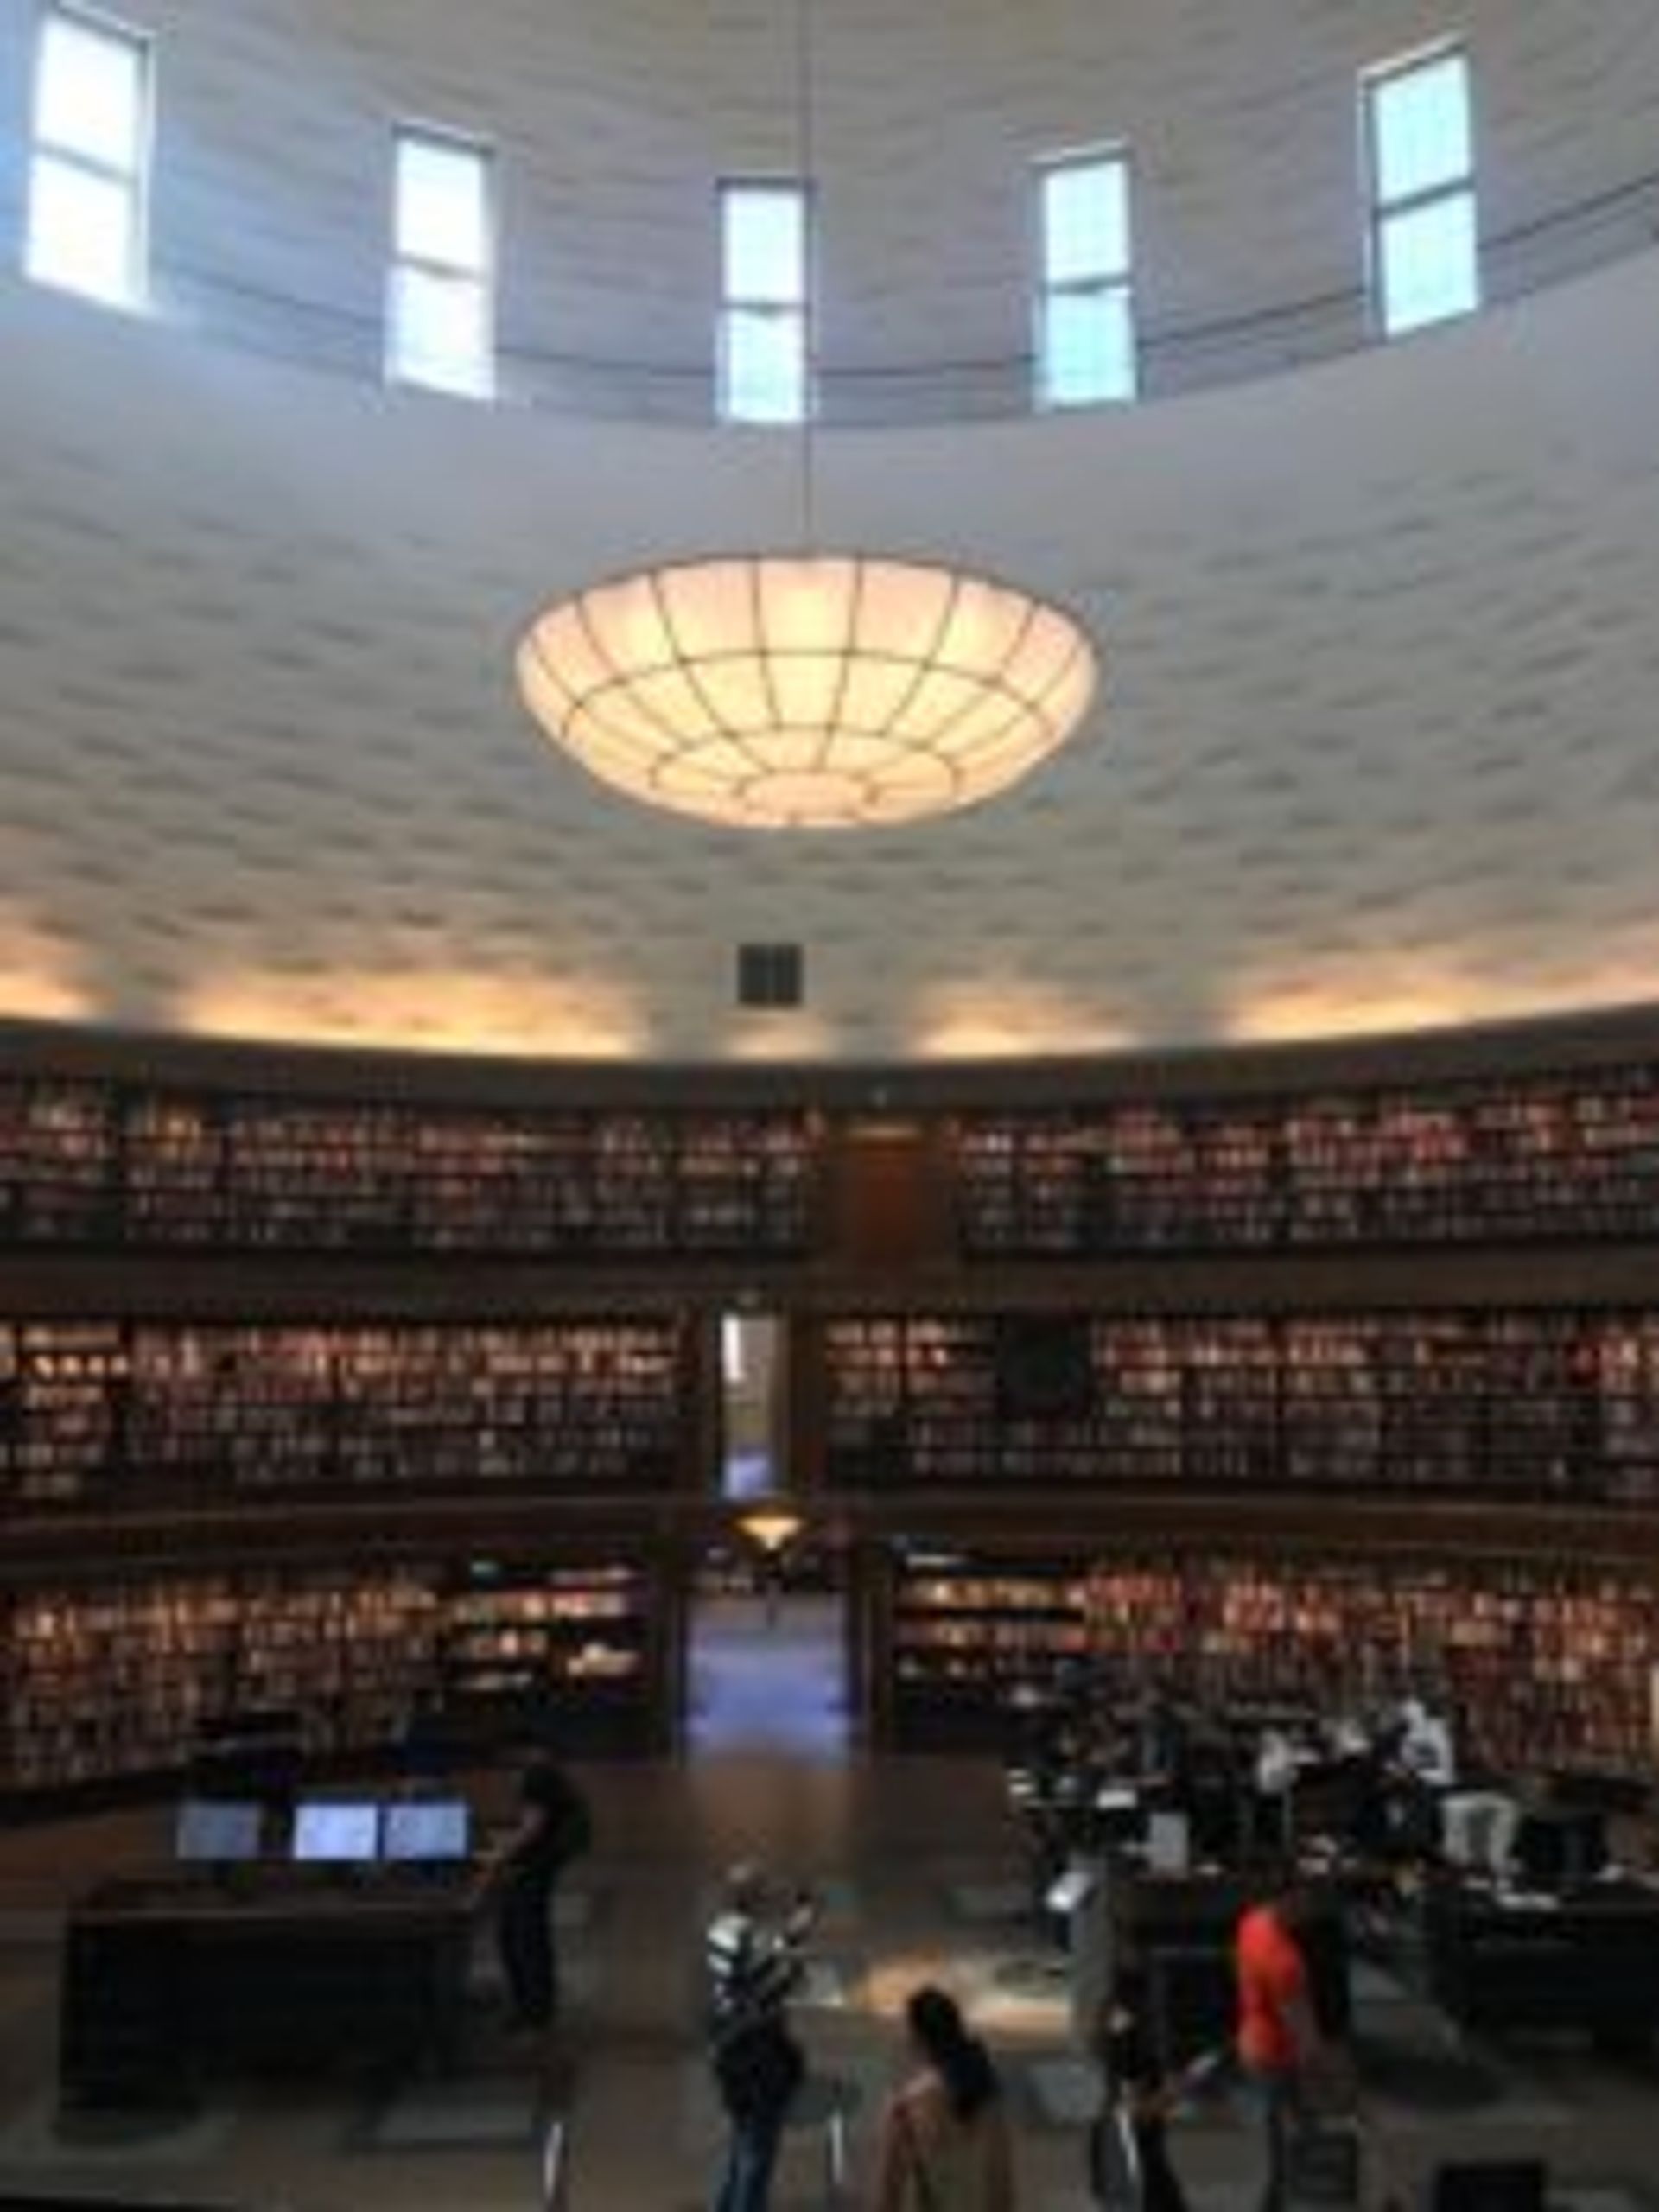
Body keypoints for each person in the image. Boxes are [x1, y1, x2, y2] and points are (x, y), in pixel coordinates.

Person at [706, 1861, 816, 2212]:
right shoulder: (752, 1937)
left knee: (741, 2142)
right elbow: (776, 1983)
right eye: (765, 1892)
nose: (772, 1898)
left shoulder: (720, 1929)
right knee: (758, 2152)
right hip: (759, 2052)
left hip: (729, 2050)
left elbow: (759, 1964)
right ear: (754, 1899)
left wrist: (791, 1937)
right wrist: (794, 1960)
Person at [873, 1985, 1014, 2212]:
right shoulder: (988, 2096)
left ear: (917, 2039)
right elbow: (1003, 2186)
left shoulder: (905, 2107)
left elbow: (889, 2197)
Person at [1233, 1881, 1330, 2212]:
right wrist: (1321, 2071)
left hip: (1251, 2044)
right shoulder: (1284, 1959)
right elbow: (1301, 2028)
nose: (1310, 1911)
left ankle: (1280, 2198)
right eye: (1307, 1902)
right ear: (1291, 1899)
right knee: (1300, 2137)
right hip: (1278, 2057)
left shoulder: (1251, 1922)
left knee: (1275, 2137)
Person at [486, 1750, 592, 2033]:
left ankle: (533, 2013)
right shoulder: (545, 1771)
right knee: (522, 1936)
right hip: (542, 1863)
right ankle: (533, 2009)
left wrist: (500, 1854)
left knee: (522, 1938)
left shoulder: (537, 1775)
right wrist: (504, 1844)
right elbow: (532, 1823)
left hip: (535, 1867)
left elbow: (533, 1828)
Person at [1090, 1967, 1193, 2212]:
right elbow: (1137, 2111)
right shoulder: (1129, 2034)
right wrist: (1172, 2093)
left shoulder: (1116, 2014)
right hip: (1135, 2154)